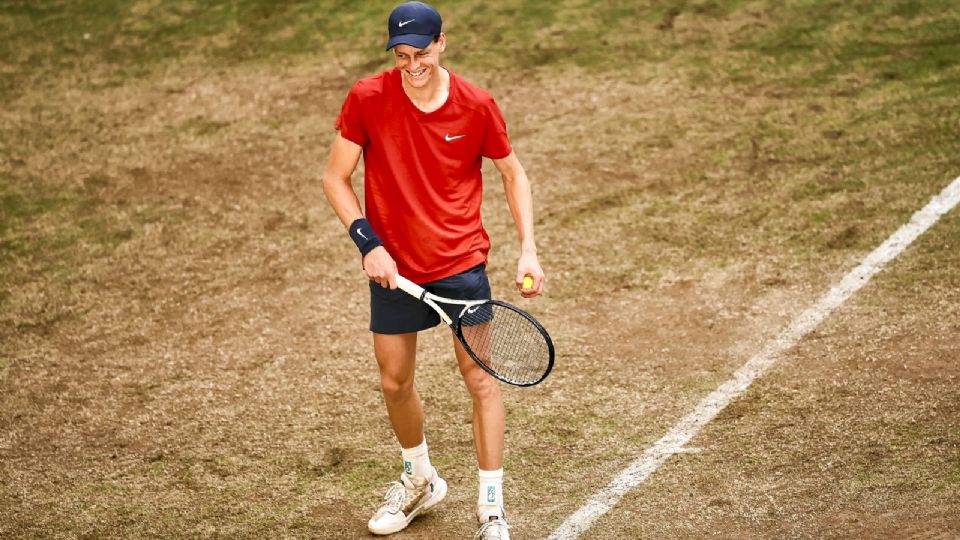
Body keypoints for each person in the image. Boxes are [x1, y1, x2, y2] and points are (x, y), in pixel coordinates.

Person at [322, 2, 544, 538]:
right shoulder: (368, 98)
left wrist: (529, 249)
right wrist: (367, 244)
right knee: (394, 382)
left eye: (421, 53)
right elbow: (335, 178)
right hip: (394, 268)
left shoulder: (476, 104)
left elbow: (513, 175)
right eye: (402, 55)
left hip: (460, 262)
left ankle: (491, 509)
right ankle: (420, 479)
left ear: (442, 42)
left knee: (481, 380)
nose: (412, 64)